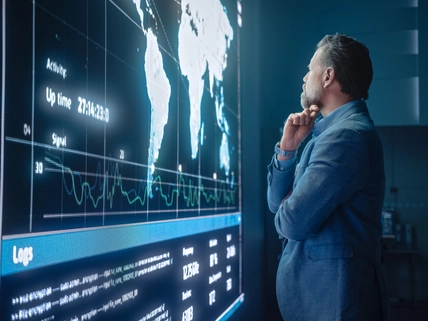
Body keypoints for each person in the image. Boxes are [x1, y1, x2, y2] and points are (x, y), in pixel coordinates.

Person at [267, 33, 390, 321]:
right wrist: (288, 149)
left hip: (335, 306)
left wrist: (290, 206)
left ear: (328, 76)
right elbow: (276, 204)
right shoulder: (326, 135)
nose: (304, 77)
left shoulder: (346, 137)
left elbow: (292, 223)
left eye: (310, 69)